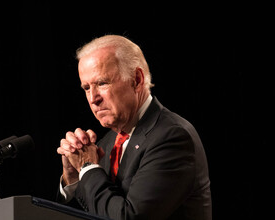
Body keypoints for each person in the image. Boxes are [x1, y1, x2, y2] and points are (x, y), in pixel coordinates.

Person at [56, 35, 212, 220]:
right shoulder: (104, 144)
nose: (93, 98)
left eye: (102, 83)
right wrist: (74, 178)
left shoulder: (172, 136)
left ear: (136, 80)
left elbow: (129, 217)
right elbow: (92, 210)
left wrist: (88, 167)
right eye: (86, 88)